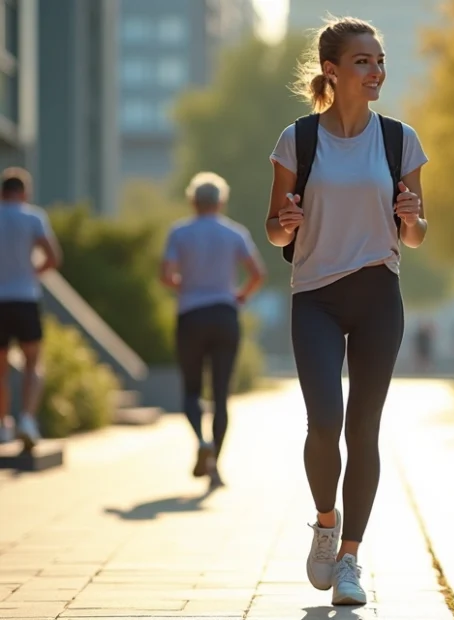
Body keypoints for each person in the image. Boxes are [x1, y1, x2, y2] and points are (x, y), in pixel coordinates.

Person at [264, 16, 428, 606]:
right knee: (324, 422)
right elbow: (274, 230)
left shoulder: (400, 140)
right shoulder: (298, 139)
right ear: (332, 71)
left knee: (364, 429)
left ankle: (351, 560)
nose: (376, 71)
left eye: (379, 61)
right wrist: (284, 224)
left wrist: (411, 217)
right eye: (363, 61)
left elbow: (416, 235)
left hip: (379, 295)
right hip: (316, 297)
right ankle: (325, 522)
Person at [160, 172, 265, 489]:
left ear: (193, 201)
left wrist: (184, 285)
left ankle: (201, 440)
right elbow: (257, 273)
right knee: (221, 395)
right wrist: (240, 295)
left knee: (192, 390)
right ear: (221, 202)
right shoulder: (235, 233)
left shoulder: (179, 232)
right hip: (224, 314)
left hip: (191, 315)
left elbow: (166, 275)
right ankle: (215, 465)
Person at [0, 168, 61, 450]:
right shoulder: (33, 217)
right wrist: (32, 272)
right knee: (33, 363)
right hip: (25, 298)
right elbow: (53, 257)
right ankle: (26, 419)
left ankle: (3, 424)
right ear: (24, 192)